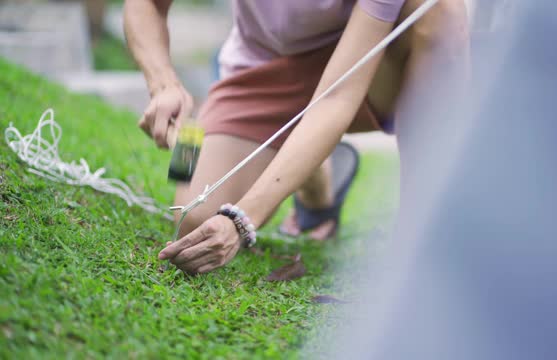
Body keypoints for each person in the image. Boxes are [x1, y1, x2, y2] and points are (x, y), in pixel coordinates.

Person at [123, 0, 470, 274]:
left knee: (442, 10)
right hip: (260, 70)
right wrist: (163, 84)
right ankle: (317, 182)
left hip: (365, 60)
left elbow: (335, 98)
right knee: (193, 218)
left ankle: (421, 242)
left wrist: (242, 219)